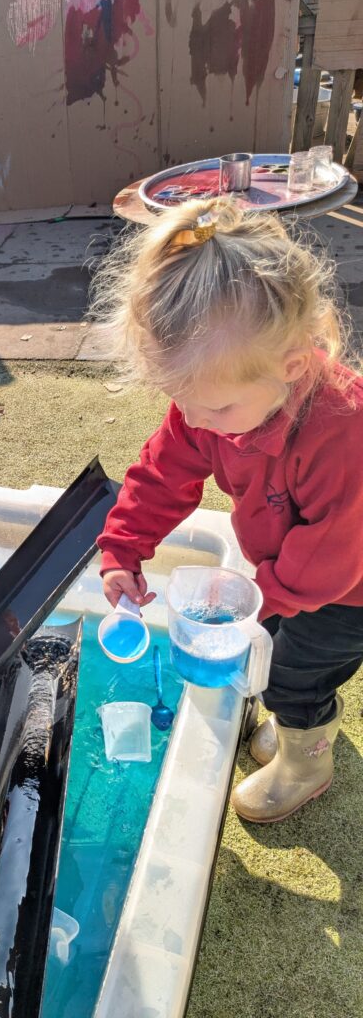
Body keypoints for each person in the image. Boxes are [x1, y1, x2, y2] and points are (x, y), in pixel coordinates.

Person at [90, 198, 363, 823]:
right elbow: (162, 471)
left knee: (296, 672)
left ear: (290, 369)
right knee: (272, 645)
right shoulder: (213, 400)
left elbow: (330, 555)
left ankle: (306, 757)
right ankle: (299, 720)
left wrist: (259, 602)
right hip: (283, 574)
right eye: (180, 402)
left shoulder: (344, 427)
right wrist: (123, 547)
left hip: (350, 591)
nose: (194, 421)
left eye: (212, 411)